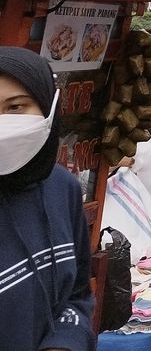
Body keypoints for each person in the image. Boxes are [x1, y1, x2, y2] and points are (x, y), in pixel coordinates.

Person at [0, 47, 95, 351]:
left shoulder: (61, 188)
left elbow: (78, 293)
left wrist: (64, 342)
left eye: (15, 107)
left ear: (47, 108)